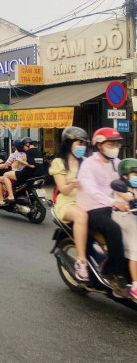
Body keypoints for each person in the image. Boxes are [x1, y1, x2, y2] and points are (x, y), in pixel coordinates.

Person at [76, 127, 128, 298]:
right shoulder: (88, 165)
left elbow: (126, 183)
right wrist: (114, 202)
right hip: (93, 207)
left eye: (116, 144)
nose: (115, 147)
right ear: (99, 145)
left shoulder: (118, 163)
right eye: (111, 144)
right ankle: (115, 273)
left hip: (114, 205)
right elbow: (91, 191)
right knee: (114, 229)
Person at [48, 126, 90, 282]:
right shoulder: (58, 163)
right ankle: (81, 261)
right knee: (81, 216)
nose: (82, 147)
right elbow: (63, 190)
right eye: (79, 143)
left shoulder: (86, 161)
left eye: (84, 144)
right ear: (69, 143)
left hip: (86, 200)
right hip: (67, 202)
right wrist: (73, 184)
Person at [111, 158, 137, 301]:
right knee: (135, 250)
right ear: (125, 176)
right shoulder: (120, 187)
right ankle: (135, 286)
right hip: (122, 217)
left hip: (133, 217)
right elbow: (129, 199)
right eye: (135, 174)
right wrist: (133, 198)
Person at [1, 137, 45, 210]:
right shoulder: (38, 151)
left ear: (27, 144)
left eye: (23, 146)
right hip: (39, 174)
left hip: (28, 174)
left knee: (6, 175)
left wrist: (21, 161)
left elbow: (32, 165)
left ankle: (11, 196)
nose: (23, 148)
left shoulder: (30, 152)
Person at [0, 139, 27, 205]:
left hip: (15, 175)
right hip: (25, 174)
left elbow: (5, 165)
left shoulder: (14, 155)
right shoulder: (26, 154)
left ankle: (2, 199)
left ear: (15, 146)